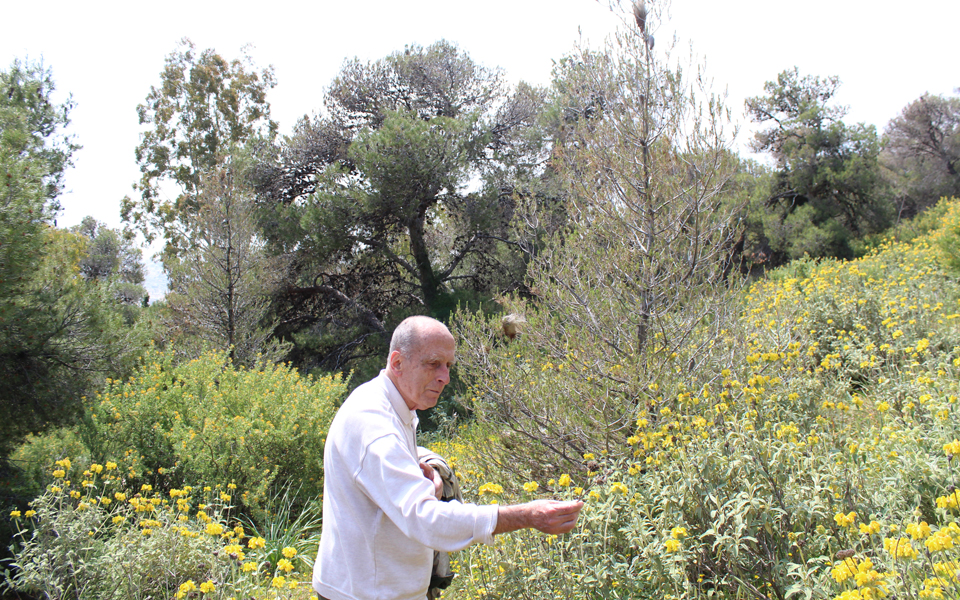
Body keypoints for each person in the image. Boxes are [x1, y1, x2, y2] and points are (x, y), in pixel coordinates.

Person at [313, 315, 583, 600]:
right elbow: (427, 520)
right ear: (397, 363)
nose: (445, 377)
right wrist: (526, 516)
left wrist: (426, 468)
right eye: (433, 364)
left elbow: (383, 466)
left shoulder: (391, 405)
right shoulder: (374, 423)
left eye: (448, 365)